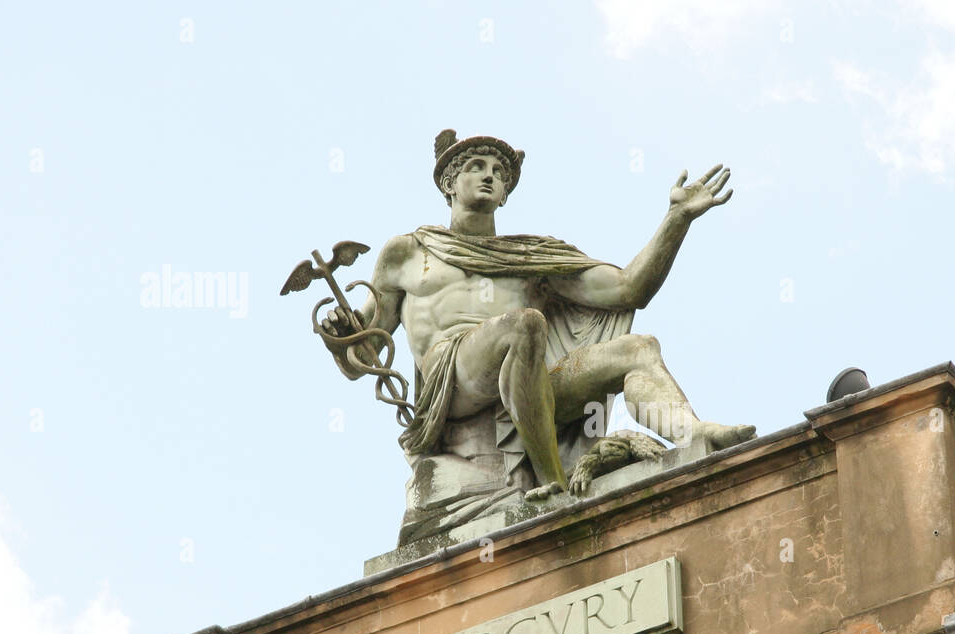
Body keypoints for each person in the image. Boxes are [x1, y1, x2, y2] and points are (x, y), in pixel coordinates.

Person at [320, 130, 755, 499]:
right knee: (524, 324)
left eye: (499, 173)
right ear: (449, 182)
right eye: (477, 166)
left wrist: (676, 218)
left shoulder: (528, 258)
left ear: (506, 193)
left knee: (639, 349)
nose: (490, 175)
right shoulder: (407, 251)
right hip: (452, 379)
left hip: (527, 379)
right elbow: (366, 355)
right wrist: (340, 336)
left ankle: (692, 434)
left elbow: (628, 290)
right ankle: (553, 484)